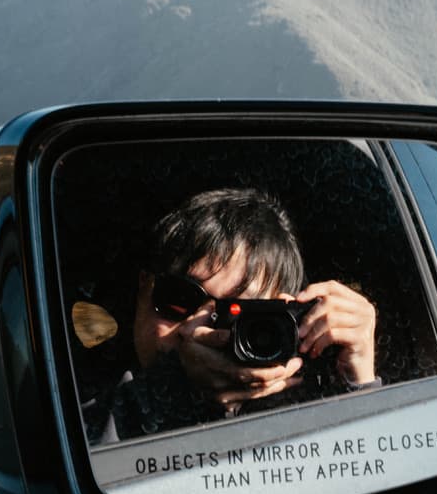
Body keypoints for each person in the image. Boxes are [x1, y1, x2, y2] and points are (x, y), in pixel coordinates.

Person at [84, 187, 379, 443]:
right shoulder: (78, 396)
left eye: (235, 318)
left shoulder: (304, 408)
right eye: (178, 299)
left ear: (289, 324)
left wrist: (357, 387)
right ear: (142, 290)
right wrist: (173, 392)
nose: (194, 333)